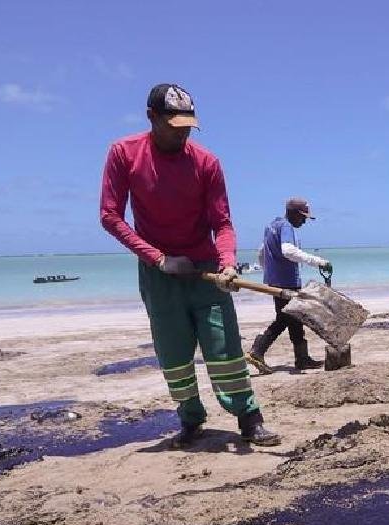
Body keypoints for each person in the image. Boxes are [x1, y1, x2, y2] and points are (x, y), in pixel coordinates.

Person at [100, 83, 280, 447]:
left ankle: (249, 418)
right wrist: (159, 259)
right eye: (173, 124)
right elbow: (110, 216)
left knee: (224, 346)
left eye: (187, 125)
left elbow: (223, 223)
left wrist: (228, 263)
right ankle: (191, 420)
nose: (181, 131)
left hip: (206, 270)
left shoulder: (206, 162)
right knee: (174, 351)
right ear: (152, 117)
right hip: (159, 272)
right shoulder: (124, 153)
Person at [248, 198, 333, 373]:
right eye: (303, 218)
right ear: (295, 214)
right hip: (286, 282)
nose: (304, 222)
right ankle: (257, 350)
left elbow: (262, 252)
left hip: (275, 281)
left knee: (294, 319)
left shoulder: (272, 225)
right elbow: (288, 251)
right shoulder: (286, 227)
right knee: (285, 318)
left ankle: (302, 359)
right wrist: (318, 261)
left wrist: (270, 272)